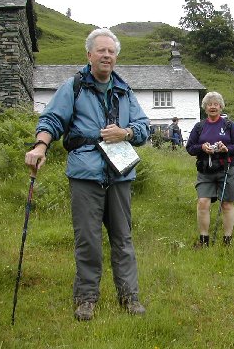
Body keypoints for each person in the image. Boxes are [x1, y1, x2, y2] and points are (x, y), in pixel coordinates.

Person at [24, 28, 150, 321]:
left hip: (120, 174)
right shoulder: (74, 87)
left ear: (116, 57)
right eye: (101, 50)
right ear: (89, 55)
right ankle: (86, 298)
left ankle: (129, 297)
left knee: (123, 238)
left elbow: (143, 126)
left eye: (111, 51)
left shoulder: (125, 90)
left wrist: (126, 131)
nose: (107, 55)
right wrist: (41, 145)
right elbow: (53, 119)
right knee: (88, 239)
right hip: (85, 174)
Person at [186, 92, 234, 247]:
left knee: (226, 204)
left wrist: (226, 148)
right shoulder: (199, 127)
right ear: (205, 108)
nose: (212, 107)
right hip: (205, 170)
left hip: (226, 169)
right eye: (209, 104)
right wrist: (201, 147)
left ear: (220, 107)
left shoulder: (229, 126)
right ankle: (203, 240)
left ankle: (227, 240)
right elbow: (190, 148)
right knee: (203, 202)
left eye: (216, 104)